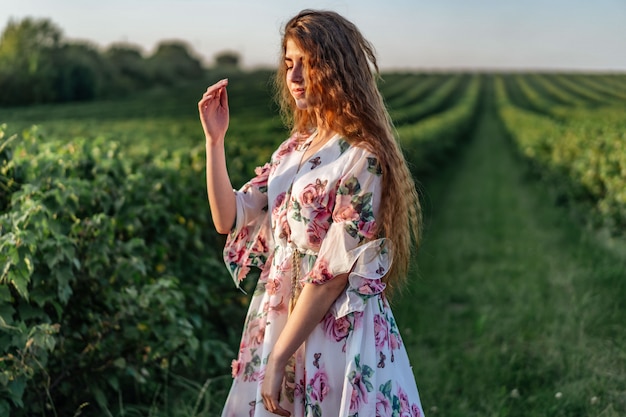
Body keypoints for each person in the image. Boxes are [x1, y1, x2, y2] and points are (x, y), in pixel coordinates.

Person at [199, 9, 425, 417]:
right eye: (289, 64)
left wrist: (280, 356)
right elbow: (229, 217)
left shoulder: (363, 156)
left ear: (338, 68)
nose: (295, 76)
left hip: (333, 328)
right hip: (281, 318)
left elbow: (332, 273)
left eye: (309, 63)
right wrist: (215, 142)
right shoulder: (292, 150)